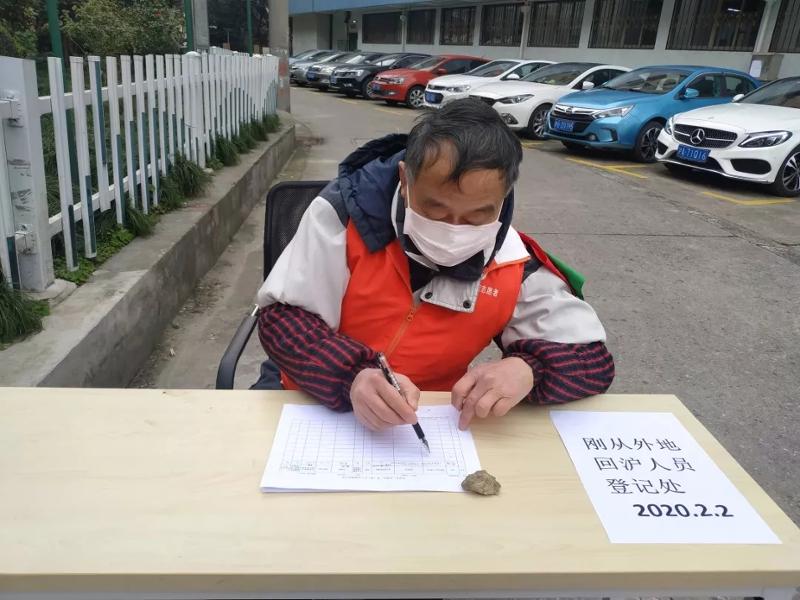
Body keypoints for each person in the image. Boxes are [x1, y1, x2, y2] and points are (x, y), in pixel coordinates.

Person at [254, 98, 614, 431]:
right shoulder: (344, 217)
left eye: (477, 216)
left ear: (502, 199)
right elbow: (282, 320)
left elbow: (592, 361)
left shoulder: (514, 262)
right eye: (435, 209)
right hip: (309, 398)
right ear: (404, 180)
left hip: (431, 418)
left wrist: (530, 370)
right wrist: (352, 375)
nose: (453, 229)